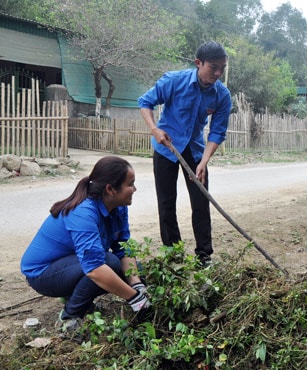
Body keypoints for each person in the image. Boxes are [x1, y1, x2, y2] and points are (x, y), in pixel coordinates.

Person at [20, 156, 150, 333]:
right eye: (130, 184)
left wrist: (137, 285)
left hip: (71, 264)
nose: (135, 189)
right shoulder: (83, 213)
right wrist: (134, 299)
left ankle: (74, 296)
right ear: (110, 189)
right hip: (43, 274)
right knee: (109, 264)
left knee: (135, 269)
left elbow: (123, 247)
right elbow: (95, 269)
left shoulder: (119, 207)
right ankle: (69, 317)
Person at [137, 41, 232, 266]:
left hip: (196, 151)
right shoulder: (174, 81)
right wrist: (154, 129)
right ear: (198, 63)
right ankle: (174, 254)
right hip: (166, 148)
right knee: (167, 202)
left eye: (222, 68)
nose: (218, 73)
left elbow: (217, 132)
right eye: (213, 67)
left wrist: (204, 162)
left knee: (201, 201)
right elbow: (145, 102)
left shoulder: (222, 95)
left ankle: (204, 255)